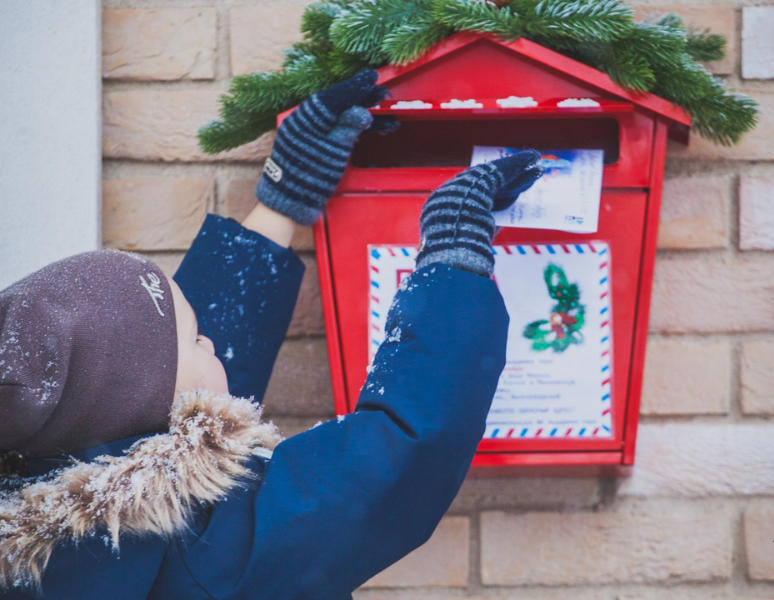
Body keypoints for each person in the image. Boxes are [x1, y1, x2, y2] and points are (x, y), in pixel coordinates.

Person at [0, 70, 542, 599]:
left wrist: (284, 198)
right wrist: (454, 258)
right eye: (195, 339)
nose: (210, 341)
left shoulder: (53, 512)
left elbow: (166, 371)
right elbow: (394, 462)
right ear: (152, 404)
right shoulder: (202, 552)